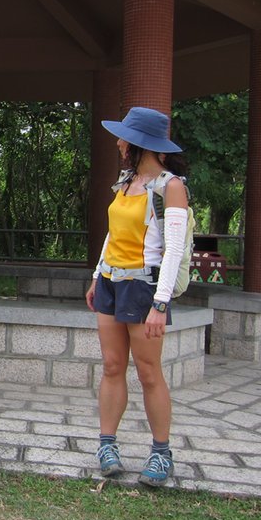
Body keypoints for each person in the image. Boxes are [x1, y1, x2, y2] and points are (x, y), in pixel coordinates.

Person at [85, 106, 189, 488]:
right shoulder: (126, 181)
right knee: (112, 366)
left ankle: (161, 453)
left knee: (148, 372)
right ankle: (107, 446)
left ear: (139, 143)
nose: (118, 143)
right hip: (111, 282)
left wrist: (160, 303)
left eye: (123, 137)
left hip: (144, 287)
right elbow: (113, 234)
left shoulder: (170, 186)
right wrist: (97, 276)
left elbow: (173, 250)